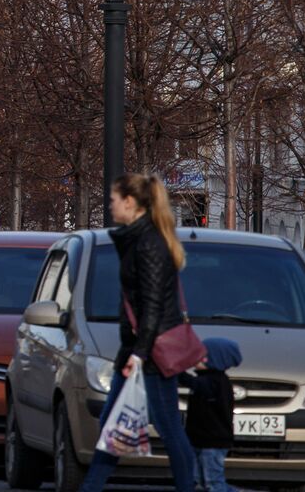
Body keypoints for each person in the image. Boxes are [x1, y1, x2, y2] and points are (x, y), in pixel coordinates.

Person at [81, 173, 198, 492]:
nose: (110, 205)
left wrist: (139, 353)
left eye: (113, 199)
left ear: (130, 203)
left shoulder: (148, 244)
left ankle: (189, 487)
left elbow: (152, 306)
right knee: (112, 426)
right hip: (137, 351)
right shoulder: (139, 239)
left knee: (169, 429)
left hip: (149, 356)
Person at [184, 337, 241, 492]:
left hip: (212, 442)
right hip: (201, 440)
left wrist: (176, 372)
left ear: (214, 359)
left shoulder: (216, 381)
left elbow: (196, 384)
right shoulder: (208, 379)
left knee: (213, 483)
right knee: (200, 482)